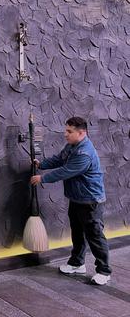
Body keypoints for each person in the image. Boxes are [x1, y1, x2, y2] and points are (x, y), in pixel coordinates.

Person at [30, 116, 111, 286]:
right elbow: (60, 159)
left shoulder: (84, 153)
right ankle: (77, 263)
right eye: (66, 130)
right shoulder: (72, 146)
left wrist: (42, 179)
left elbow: (65, 171)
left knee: (94, 235)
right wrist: (42, 164)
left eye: (69, 131)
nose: (65, 134)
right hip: (77, 198)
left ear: (81, 133)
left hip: (90, 200)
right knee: (77, 233)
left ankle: (104, 271)